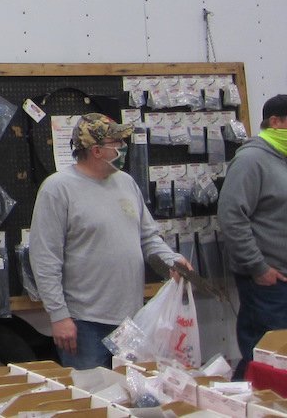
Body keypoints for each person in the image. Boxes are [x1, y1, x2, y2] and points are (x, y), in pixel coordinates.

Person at [29, 113, 190, 369]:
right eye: (117, 143)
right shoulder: (57, 189)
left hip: (131, 321)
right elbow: (45, 258)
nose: (123, 148)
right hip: (84, 323)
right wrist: (59, 315)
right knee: (90, 391)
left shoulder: (126, 183)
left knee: (130, 390)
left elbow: (148, 237)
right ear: (96, 150)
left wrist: (172, 261)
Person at [217, 94, 287, 379]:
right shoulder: (251, 160)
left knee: (279, 361)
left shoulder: (282, 159)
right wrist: (258, 268)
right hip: (268, 282)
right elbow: (231, 216)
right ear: (276, 122)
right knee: (264, 359)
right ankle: (239, 400)